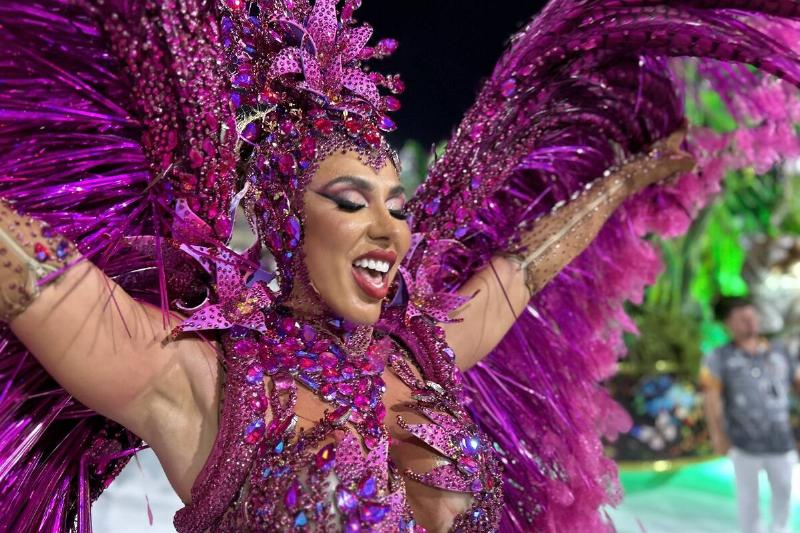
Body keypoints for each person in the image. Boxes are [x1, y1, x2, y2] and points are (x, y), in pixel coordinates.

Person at [1, 1, 800, 532]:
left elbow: (523, 268)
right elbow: (38, 277)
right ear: (286, 225)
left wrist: (624, 179)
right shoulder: (204, 378)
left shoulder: (423, 349)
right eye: (352, 201)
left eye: (395, 201)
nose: (390, 228)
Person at [701, 297, 800, 533]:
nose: (749, 322)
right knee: (747, 501)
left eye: (752, 315)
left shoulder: (780, 351)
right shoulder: (719, 357)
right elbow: (711, 399)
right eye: (741, 318)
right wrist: (718, 435)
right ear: (728, 324)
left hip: (781, 441)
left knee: (784, 494)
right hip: (744, 443)